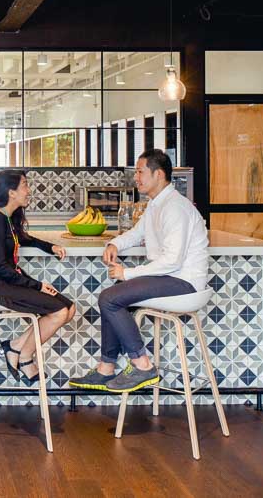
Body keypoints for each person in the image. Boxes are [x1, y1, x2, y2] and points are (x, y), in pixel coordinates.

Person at [69, 148, 209, 393]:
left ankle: (142, 365)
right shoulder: (157, 204)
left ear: (159, 174)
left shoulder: (175, 207)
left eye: (141, 172)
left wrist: (128, 273)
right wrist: (114, 243)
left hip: (183, 282)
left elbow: (173, 261)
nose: (136, 177)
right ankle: (106, 367)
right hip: (169, 277)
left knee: (110, 298)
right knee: (113, 296)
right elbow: (137, 234)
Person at [0, 170, 75, 384]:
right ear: (11, 192)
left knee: (69, 309)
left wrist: (50, 247)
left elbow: (24, 238)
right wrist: (37, 286)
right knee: (59, 312)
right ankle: (25, 356)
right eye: (25, 185)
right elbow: (0, 267)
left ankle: (16, 346)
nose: (29, 191)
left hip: (9, 280)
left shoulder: (7, 218)